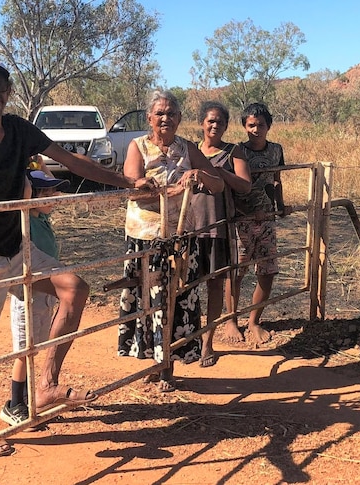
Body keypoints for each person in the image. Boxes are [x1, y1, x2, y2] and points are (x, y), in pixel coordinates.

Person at [0, 54, 155, 457]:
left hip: (16, 245)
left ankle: (47, 383)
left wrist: (126, 181)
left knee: (74, 289)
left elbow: (73, 161)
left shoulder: (19, 129)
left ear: (9, 91)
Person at [117, 90, 224, 391]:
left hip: (179, 238)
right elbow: (132, 187)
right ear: (149, 118)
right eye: (160, 113)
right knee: (151, 302)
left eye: (172, 113)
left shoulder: (188, 148)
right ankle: (155, 362)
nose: (166, 118)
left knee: (175, 299)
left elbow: (217, 184)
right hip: (146, 238)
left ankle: (168, 367)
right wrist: (165, 190)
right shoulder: (137, 147)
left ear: (179, 118)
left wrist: (198, 174)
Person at [0, 169, 69, 428]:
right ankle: (14, 404)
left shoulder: (42, 219)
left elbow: (46, 183)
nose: (54, 197)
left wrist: (40, 163)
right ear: (32, 196)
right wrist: (26, 172)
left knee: (35, 347)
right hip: (28, 295)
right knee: (24, 351)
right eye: (47, 193)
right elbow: (25, 189)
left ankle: (28, 403)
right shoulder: (26, 217)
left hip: (45, 294)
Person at [226, 102, 291, 345]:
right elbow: (231, 189)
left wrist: (280, 205)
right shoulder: (237, 152)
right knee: (237, 272)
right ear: (244, 126)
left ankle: (254, 321)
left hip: (267, 220)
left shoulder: (276, 150)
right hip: (241, 221)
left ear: (269, 126)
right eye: (251, 125)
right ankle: (231, 320)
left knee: (267, 271)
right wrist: (242, 212)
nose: (256, 129)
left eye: (260, 125)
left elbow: (276, 179)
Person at [192, 101, 252, 364]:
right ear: (202, 123)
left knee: (215, 284)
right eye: (210, 121)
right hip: (191, 229)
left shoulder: (232, 152)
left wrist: (218, 174)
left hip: (218, 226)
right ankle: (188, 340)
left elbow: (245, 186)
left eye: (220, 122)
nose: (215, 125)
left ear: (226, 126)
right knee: (187, 286)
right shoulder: (191, 151)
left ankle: (208, 341)